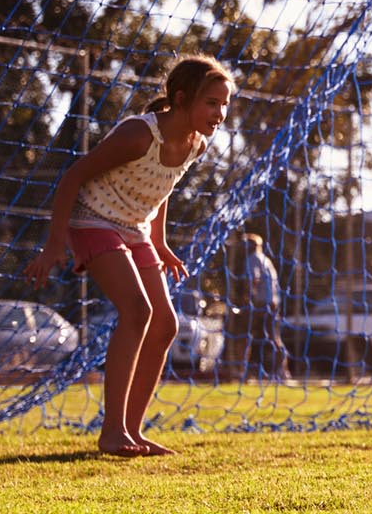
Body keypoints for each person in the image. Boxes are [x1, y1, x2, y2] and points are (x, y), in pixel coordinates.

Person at [26, 56, 235, 457]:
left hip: (135, 228)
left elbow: (163, 189)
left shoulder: (197, 144)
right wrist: (54, 244)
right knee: (137, 311)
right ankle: (112, 432)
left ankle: (133, 432)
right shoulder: (140, 135)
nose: (220, 113)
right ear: (180, 97)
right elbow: (73, 177)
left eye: (224, 105)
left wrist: (159, 243)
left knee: (166, 325)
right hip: (92, 221)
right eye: (212, 102)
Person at [240, 232, 289, 381]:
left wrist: (246, 297)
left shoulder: (252, 259)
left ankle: (247, 371)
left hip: (261, 303)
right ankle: (281, 371)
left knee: (251, 336)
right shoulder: (266, 259)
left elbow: (253, 279)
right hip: (273, 302)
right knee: (272, 337)